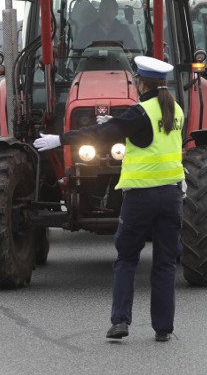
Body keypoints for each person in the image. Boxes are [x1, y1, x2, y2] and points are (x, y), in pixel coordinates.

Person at [33, 56, 185, 343]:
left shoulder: (140, 113)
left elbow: (102, 133)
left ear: (141, 82)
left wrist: (60, 139)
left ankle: (120, 322)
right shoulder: (175, 109)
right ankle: (163, 328)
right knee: (165, 263)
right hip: (171, 196)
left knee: (126, 258)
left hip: (141, 196)